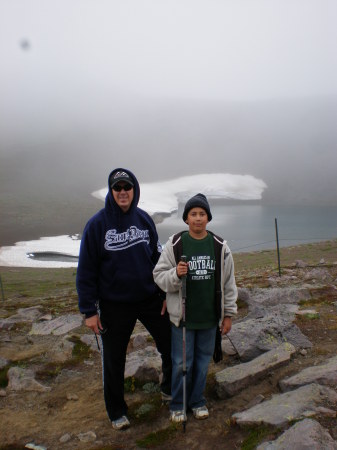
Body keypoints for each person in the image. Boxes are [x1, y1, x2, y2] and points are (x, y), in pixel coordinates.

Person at [76, 168, 172, 430]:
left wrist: (164, 293)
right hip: (114, 304)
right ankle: (117, 411)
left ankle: (169, 389)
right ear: (111, 191)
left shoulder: (144, 220)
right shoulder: (97, 225)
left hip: (150, 297)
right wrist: (89, 311)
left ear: (134, 190)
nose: (122, 192)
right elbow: (86, 270)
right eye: (117, 187)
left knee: (171, 341)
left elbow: (158, 259)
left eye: (126, 187)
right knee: (114, 358)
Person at [153, 193, 237, 423]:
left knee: (202, 363)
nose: (198, 219)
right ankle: (178, 405)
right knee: (182, 363)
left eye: (202, 214)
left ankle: (197, 401)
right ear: (186, 218)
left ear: (208, 218)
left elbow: (229, 283)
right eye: (193, 214)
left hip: (210, 319)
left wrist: (228, 314)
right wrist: (175, 274)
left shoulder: (220, 246)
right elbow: (159, 276)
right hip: (182, 320)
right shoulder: (175, 244)